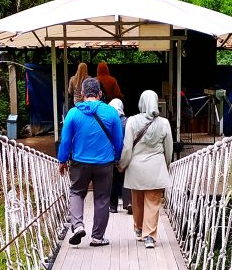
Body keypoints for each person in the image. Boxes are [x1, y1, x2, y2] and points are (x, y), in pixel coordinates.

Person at [58, 76, 124, 247]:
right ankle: (97, 237)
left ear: (81, 93)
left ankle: (78, 225)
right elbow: (118, 140)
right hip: (104, 163)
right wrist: (117, 158)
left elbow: (65, 140)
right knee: (102, 198)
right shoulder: (111, 112)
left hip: (80, 163)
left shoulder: (73, 113)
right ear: (100, 94)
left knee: (76, 192)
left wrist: (62, 160)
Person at [119, 89, 173, 248]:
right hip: (155, 167)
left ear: (141, 103)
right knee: (153, 201)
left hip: (136, 168)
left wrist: (122, 165)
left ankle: (139, 228)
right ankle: (149, 236)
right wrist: (166, 165)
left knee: (137, 200)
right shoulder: (164, 123)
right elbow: (168, 149)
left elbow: (127, 148)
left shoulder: (132, 121)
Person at [108, 98, 131, 213]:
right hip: (125, 155)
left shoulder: (107, 121)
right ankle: (128, 203)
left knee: (112, 180)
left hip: (111, 156)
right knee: (125, 179)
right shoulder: (128, 122)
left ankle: (113, 206)